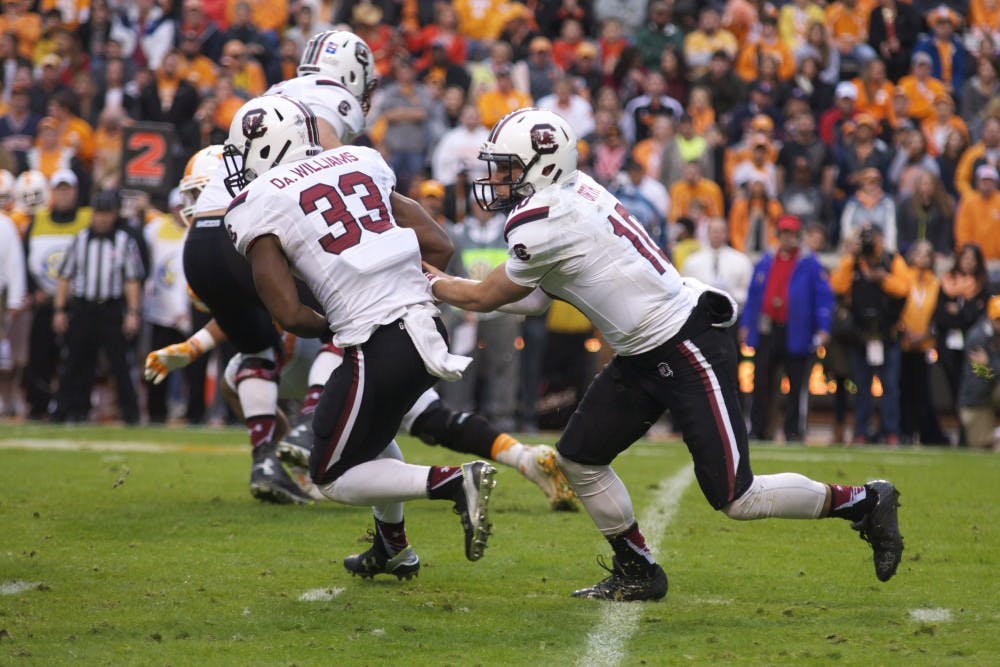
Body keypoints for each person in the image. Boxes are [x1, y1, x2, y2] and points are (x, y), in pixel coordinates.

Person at [426, 107, 905, 600]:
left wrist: (429, 281)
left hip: (685, 342)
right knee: (579, 458)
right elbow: (531, 295)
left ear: (543, 165)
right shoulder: (575, 191)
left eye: (508, 168)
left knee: (737, 497)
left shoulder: (541, 220)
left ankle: (864, 502)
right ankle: (637, 568)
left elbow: (488, 297)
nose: (498, 180)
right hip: (642, 350)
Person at [146, 31, 575, 512]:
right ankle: (312, 429)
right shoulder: (334, 114)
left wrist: (192, 345)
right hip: (334, 309)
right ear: (353, 75)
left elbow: (268, 307)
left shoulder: (276, 95)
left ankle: (279, 460)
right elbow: (333, 176)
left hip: (207, 246)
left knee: (255, 362)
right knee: (396, 395)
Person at [222, 94, 499, 578]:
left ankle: (454, 482)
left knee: (329, 473)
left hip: (379, 338)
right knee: (368, 435)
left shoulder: (260, 200)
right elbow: (439, 244)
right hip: (424, 324)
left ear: (266, 149)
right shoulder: (359, 160)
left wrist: (343, 315)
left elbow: (289, 314)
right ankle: (393, 548)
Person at [50, 189, 143, 423]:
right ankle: (67, 410)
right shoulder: (80, 239)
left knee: (120, 363)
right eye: (98, 213)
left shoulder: (124, 241)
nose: (102, 218)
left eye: (106, 213)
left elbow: (132, 280)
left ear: (114, 215)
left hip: (110, 309)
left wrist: (132, 312)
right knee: (75, 361)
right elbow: (65, 277)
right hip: (83, 308)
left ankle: (131, 413)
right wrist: (59, 310)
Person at [740, 215, 833, 442]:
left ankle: (794, 431)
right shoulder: (765, 261)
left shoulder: (809, 264)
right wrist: (746, 324)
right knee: (761, 381)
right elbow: (753, 296)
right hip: (768, 329)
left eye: (791, 234)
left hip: (797, 331)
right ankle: (758, 428)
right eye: (784, 233)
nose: (787, 238)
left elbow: (823, 297)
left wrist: (823, 327)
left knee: (797, 384)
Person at [829, 224, 911, 444]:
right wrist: (850, 257)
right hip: (860, 335)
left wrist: (882, 277)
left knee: (890, 387)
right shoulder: (854, 262)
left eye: (871, 239)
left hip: (888, 334)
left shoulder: (893, 260)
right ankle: (861, 432)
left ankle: (890, 431)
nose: (868, 244)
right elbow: (837, 287)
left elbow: (904, 288)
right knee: (862, 387)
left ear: (881, 239)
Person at [958, 295, 1000, 450]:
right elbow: (981, 372)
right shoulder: (977, 338)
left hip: (993, 389)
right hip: (977, 399)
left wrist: (990, 364)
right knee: (982, 446)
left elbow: (988, 370)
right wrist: (991, 369)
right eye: (998, 320)